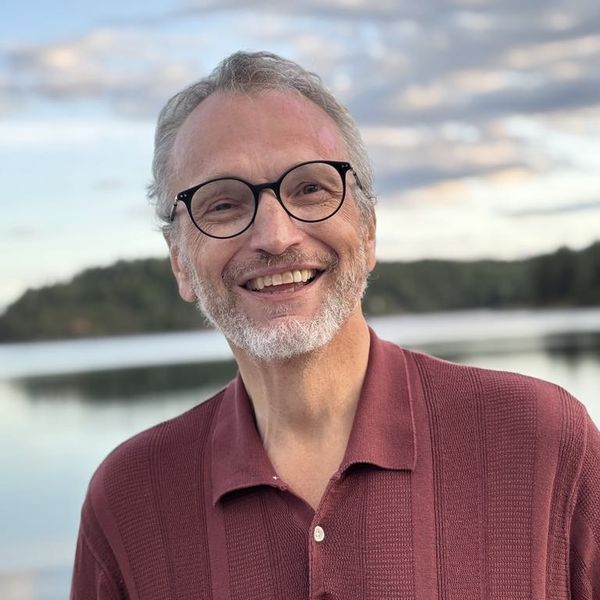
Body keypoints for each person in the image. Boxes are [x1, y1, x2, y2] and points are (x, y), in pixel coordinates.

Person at [70, 51, 599, 599]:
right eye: (223, 204)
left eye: (310, 189)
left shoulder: (541, 441)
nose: (276, 236)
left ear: (368, 231)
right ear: (180, 261)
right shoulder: (128, 500)